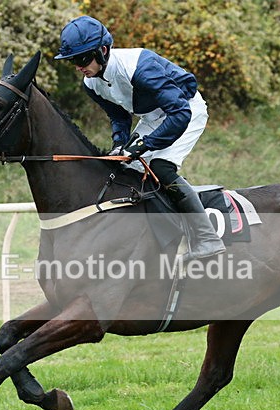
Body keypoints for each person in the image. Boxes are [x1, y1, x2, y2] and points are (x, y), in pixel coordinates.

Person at [54, 15, 225, 261]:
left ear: (103, 51)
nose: (79, 66)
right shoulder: (91, 83)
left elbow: (179, 114)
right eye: (72, 61)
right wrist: (119, 145)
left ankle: (206, 237)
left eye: (82, 58)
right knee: (125, 168)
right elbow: (120, 118)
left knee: (159, 167)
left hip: (186, 110)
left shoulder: (140, 68)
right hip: (154, 116)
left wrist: (144, 145)